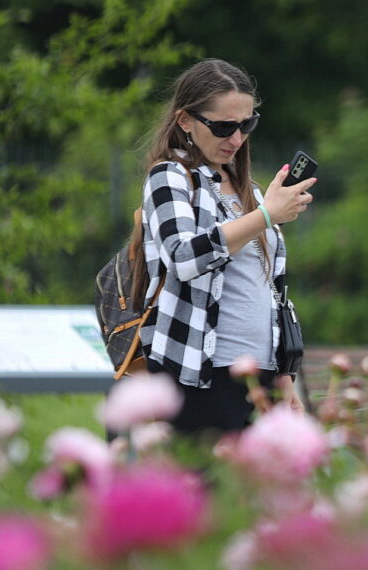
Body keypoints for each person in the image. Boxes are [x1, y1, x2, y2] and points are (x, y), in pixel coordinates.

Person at [130, 58, 316, 437]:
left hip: (257, 376)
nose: (236, 138)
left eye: (247, 124)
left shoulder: (250, 190)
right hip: (198, 370)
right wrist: (265, 217)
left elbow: (270, 291)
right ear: (185, 121)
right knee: (209, 489)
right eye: (223, 126)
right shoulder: (169, 176)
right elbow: (183, 257)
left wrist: (284, 374)